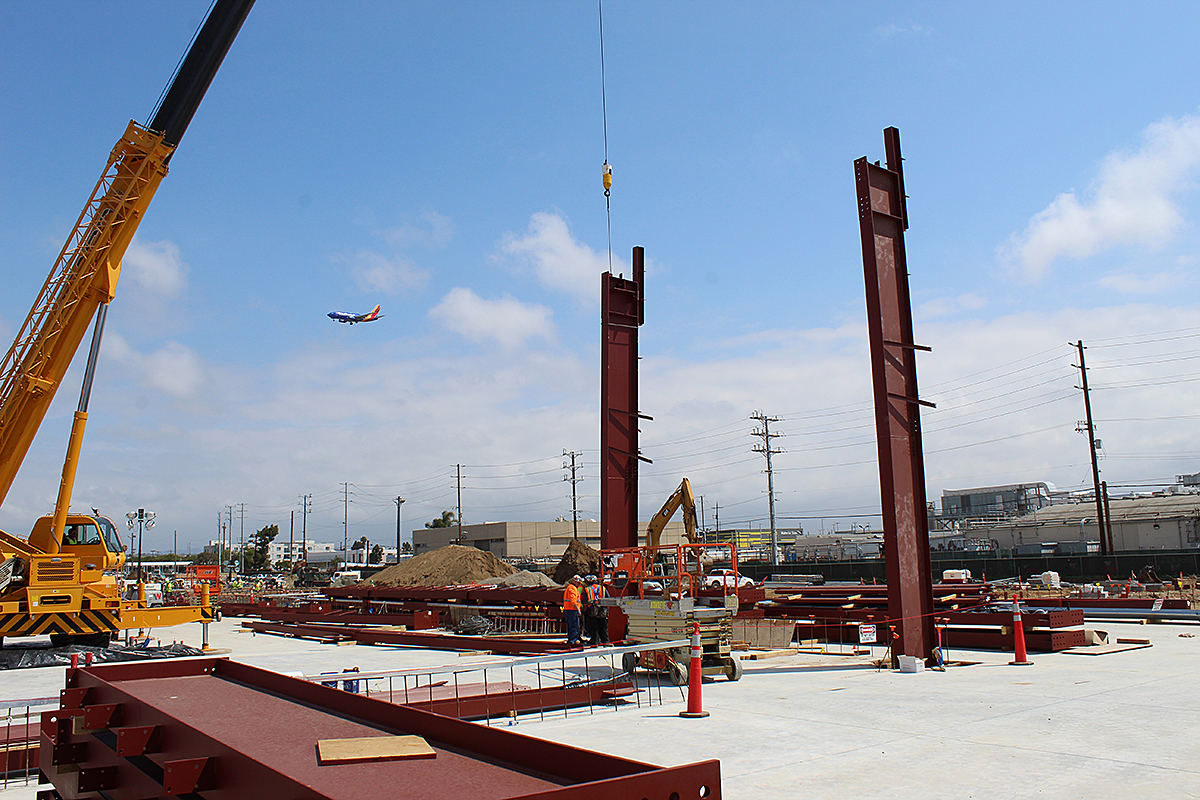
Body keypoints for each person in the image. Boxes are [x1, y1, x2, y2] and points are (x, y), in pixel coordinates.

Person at [583, 574, 609, 645]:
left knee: (594, 627)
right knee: (603, 626)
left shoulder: (587, 589)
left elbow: (585, 601)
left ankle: (595, 641)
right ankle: (605, 641)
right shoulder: (603, 588)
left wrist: (584, 610)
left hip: (592, 610)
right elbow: (608, 598)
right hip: (602, 609)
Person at [562, 574, 583, 646]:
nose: (579, 584)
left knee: (571, 626)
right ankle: (573, 640)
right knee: (574, 626)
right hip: (572, 610)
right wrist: (578, 610)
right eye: (579, 583)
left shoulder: (569, 587)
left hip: (568, 609)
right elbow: (573, 601)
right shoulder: (573, 588)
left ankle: (572, 639)